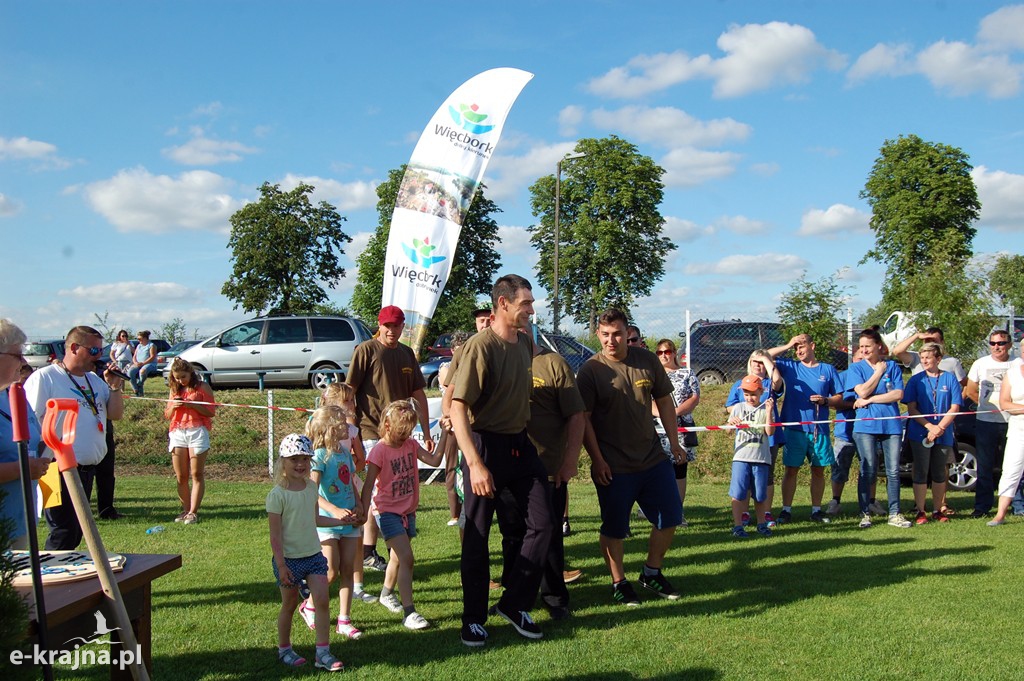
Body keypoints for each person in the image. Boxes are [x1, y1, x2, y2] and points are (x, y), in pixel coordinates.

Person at [449, 274, 552, 646]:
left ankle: (514, 603)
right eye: (525, 303)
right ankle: (473, 618)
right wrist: (475, 463)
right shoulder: (481, 346)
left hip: (520, 446)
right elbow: (457, 407)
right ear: (503, 304)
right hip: (484, 446)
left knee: (543, 522)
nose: (531, 309)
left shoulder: (525, 343)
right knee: (477, 537)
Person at [577, 308, 684, 607]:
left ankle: (651, 572)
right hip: (613, 465)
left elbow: (664, 400)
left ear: (628, 333)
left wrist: (673, 443)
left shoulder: (647, 360)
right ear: (598, 334)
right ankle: (619, 582)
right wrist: (597, 460)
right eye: (606, 335)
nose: (612, 340)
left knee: (670, 517)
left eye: (618, 334)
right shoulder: (590, 371)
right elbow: (583, 420)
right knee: (615, 528)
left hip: (652, 458)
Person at [347, 305, 432, 573]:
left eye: (397, 326)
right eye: (388, 326)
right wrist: (350, 430)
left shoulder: (407, 354)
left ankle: (385, 548)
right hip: (372, 429)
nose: (392, 331)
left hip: (401, 434)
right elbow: (349, 390)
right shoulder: (366, 350)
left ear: (403, 327)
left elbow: (418, 394)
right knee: (378, 491)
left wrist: (428, 431)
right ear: (379, 325)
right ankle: (369, 551)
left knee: (397, 487)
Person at [25, 325, 125, 550]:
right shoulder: (46, 378)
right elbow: (29, 422)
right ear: (73, 348)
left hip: (86, 468)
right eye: (93, 351)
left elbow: (115, 414)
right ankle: (50, 581)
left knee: (77, 529)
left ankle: (61, 578)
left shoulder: (94, 380)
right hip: (53, 468)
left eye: (101, 351)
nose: (98, 356)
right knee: (63, 530)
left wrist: (115, 387)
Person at [360, 400, 443, 630]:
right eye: (400, 430)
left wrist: (446, 434)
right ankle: (409, 612)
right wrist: (361, 511)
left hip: (408, 510)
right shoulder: (379, 451)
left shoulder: (410, 446)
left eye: (408, 431)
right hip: (386, 511)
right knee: (407, 558)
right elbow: (368, 486)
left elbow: (435, 460)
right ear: (387, 425)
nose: (404, 435)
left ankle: (386, 593)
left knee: (397, 558)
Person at [267, 433, 346, 671]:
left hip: (313, 556)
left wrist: (342, 520)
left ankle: (323, 653)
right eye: (294, 459)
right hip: (288, 560)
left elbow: (315, 519)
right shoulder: (277, 496)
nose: (300, 464)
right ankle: (284, 649)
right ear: (283, 462)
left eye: (304, 458)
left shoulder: (311, 488)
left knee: (321, 600)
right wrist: (281, 566)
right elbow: (275, 536)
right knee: (289, 605)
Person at [524, 339, 585, 619]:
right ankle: (518, 598)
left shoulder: (554, 363)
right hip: (509, 466)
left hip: (548, 466)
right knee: (514, 537)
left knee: (549, 533)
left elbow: (576, 415)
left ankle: (555, 598)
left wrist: (570, 461)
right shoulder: (501, 357)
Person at [296, 405, 364, 638]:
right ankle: (310, 606)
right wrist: (334, 510)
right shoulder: (318, 456)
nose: (348, 427)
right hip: (327, 523)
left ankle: (344, 620)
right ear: (331, 428)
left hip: (350, 521)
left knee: (348, 570)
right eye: (344, 424)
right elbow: (312, 491)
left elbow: (351, 482)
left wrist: (360, 505)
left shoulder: (345, 454)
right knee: (330, 572)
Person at [767, 333, 842, 524]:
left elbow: (839, 398)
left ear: (812, 346)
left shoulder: (827, 369)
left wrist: (825, 400)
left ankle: (816, 510)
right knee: (791, 469)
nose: (799, 350)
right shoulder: (790, 366)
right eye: (796, 348)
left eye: (802, 346)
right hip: (794, 427)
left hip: (819, 429)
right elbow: (764, 355)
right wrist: (788, 343)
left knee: (818, 470)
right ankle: (786, 510)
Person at [846, 328, 909, 529]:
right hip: (866, 426)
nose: (864, 350)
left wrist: (871, 399)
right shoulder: (856, 369)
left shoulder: (893, 366)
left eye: (868, 346)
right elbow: (861, 390)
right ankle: (865, 513)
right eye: (861, 346)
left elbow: (898, 394)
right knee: (868, 469)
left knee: (893, 471)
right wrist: (878, 373)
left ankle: (894, 513)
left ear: (878, 346)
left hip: (891, 425)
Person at [319, 383, 374, 605]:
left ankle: (357, 586)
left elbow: (360, 460)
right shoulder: (317, 424)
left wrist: (347, 469)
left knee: (357, 537)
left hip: (348, 483)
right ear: (332, 403)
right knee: (329, 543)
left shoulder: (351, 429)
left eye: (352, 400)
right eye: (347, 400)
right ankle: (313, 586)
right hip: (326, 489)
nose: (352, 405)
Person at [0, 319, 50, 550]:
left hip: (19, 523)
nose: (23, 362)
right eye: (17, 355)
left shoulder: (13, 395)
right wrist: (23, 469)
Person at [902, 342, 962, 524]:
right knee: (920, 471)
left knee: (939, 472)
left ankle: (938, 509)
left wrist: (940, 428)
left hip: (943, 433)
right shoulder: (916, 380)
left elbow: (955, 406)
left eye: (928, 357)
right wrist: (929, 427)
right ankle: (920, 510)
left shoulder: (949, 379)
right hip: (920, 433)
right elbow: (911, 408)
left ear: (938, 359)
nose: (925, 361)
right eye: (922, 357)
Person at [724, 349, 784, 525]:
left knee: (765, 478)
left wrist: (766, 358)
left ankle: (765, 515)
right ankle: (743, 515)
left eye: (761, 362)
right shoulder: (739, 385)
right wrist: (738, 415)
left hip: (766, 440)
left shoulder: (768, 384)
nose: (758, 365)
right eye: (754, 361)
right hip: (745, 443)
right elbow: (731, 407)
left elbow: (777, 381)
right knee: (743, 481)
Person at [965, 329, 1019, 518]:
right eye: (993, 343)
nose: (997, 347)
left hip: (1013, 421)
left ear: (1010, 345)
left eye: (1001, 343)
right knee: (985, 466)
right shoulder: (981, 364)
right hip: (986, 421)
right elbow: (971, 389)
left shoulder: (1017, 363)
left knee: (1015, 465)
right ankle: (982, 506)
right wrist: (986, 405)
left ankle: (1018, 506)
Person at [164, 357, 216, 525]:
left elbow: (210, 411)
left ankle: (193, 512)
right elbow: (167, 414)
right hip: (178, 432)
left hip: (196, 431)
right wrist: (174, 407)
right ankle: (185, 509)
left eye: (183, 377)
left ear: (190, 373)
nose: (180, 380)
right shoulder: (174, 390)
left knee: (196, 474)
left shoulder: (202, 387)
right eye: (177, 377)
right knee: (181, 475)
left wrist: (193, 405)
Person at [654, 338, 700, 525]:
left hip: (682, 427)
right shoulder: (652, 375)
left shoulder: (687, 372)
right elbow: (646, 400)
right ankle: (658, 511)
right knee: (659, 472)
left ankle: (677, 512)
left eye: (667, 351)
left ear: (674, 353)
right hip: (657, 430)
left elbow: (694, 397)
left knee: (679, 472)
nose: (664, 355)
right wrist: (662, 414)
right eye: (660, 352)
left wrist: (673, 413)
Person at [727, 375, 776, 538]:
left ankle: (761, 524)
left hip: (761, 458)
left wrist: (769, 412)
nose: (750, 397)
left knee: (760, 495)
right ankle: (738, 526)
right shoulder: (738, 408)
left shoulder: (765, 409)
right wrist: (731, 423)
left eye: (753, 394)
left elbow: (770, 432)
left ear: (761, 392)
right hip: (741, 457)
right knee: (738, 493)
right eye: (746, 394)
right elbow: (727, 430)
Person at [988, 343, 1024, 526]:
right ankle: (1000, 514)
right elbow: (1004, 403)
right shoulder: (1013, 374)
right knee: (1011, 469)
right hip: (1018, 429)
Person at [891, 327, 967, 386]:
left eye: (934, 341)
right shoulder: (917, 357)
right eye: (927, 340)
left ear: (942, 342)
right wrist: (916, 336)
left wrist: (959, 402)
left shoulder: (952, 362)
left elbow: (966, 384)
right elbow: (897, 351)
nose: (930, 344)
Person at [128, 330, 157, 397]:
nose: (139, 340)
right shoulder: (139, 346)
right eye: (138, 339)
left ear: (145, 338)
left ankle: (140, 383)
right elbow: (134, 356)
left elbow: (152, 357)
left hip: (149, 364)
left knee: (142, 371)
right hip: (138, 364)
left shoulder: (152, 345)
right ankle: (135, 389)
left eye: (140, 339)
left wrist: (143, 363)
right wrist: (135, 362)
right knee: (130, 372)